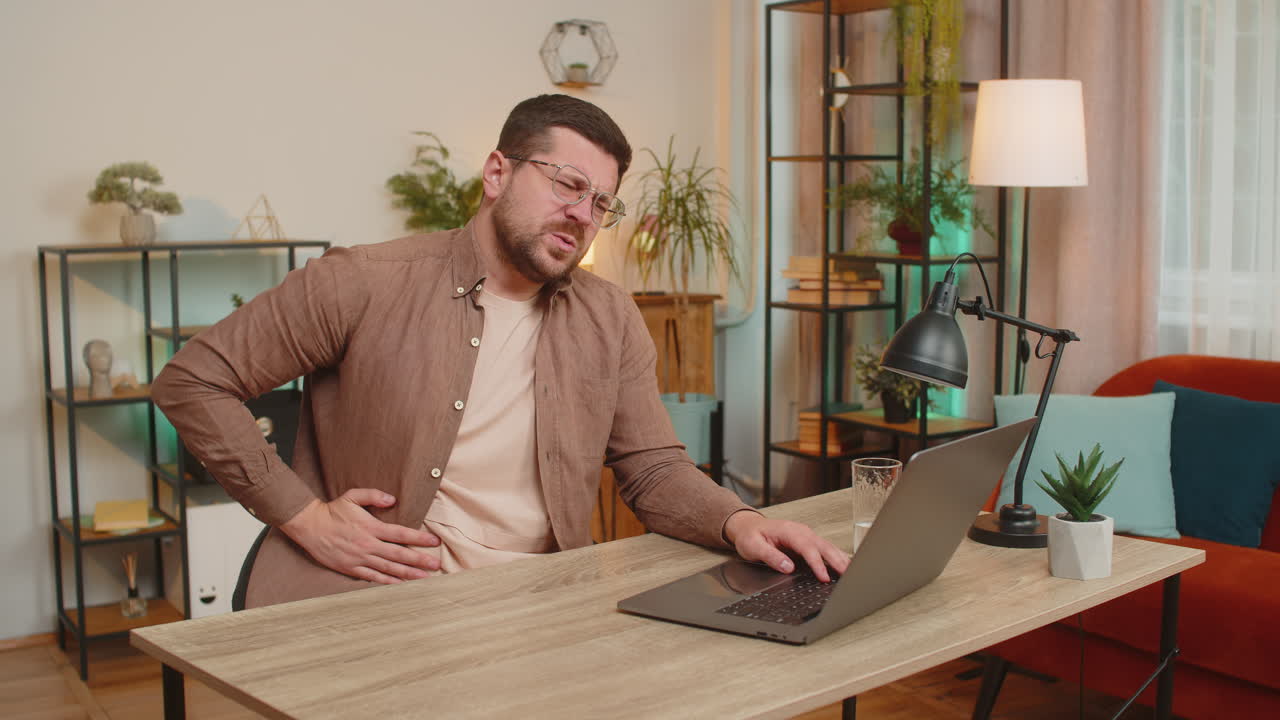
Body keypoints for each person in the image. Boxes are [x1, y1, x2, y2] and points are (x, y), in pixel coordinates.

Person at [152, 94, 848, 608]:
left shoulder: (610, 316)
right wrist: (302, 514)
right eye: (567, 184)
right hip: (368, 597)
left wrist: (743, 522)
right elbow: (193, 382)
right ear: (496, 173)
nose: (583, 214)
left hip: (534, 608)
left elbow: (652, 469)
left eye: (601, 202)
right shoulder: (361, 280)